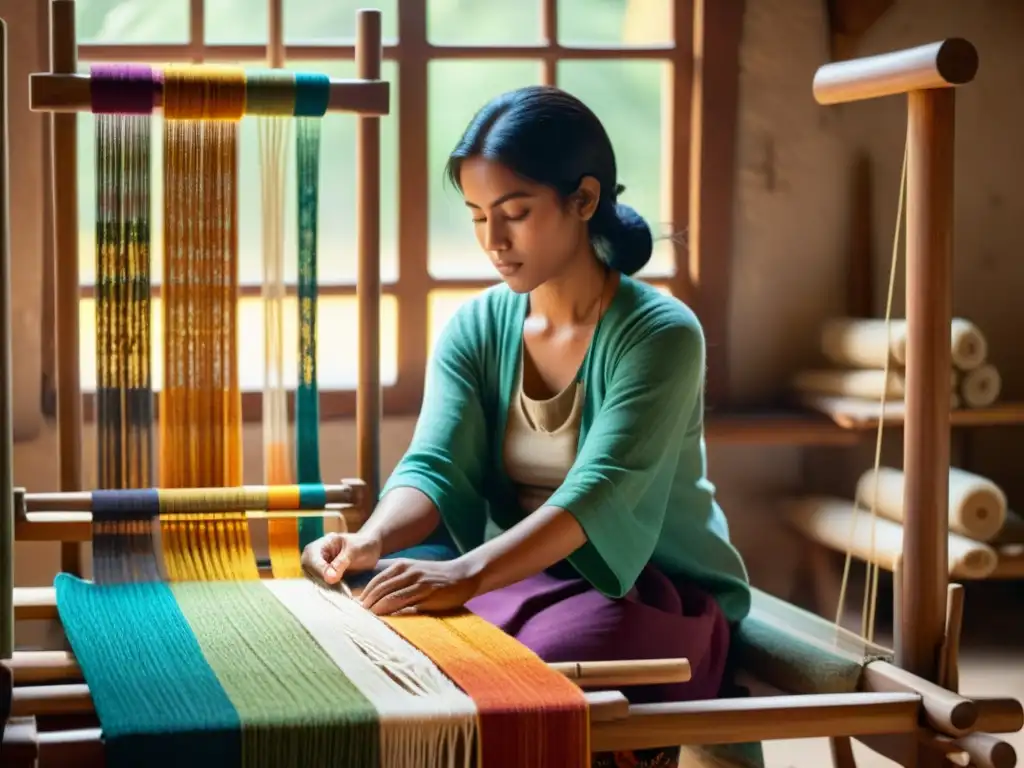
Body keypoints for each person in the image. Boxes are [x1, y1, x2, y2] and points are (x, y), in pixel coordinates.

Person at [302, 84, 752, 768]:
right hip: (515, 577)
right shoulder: (477, 327)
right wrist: (367, 541)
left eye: (515, 213)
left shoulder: (661, 335)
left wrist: (464, 575)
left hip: (644, 593)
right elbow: (433, 467)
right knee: (350, 620)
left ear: (585, 200)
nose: (494, 242)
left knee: (532, 678)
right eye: (479, 217)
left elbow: (598, 493)